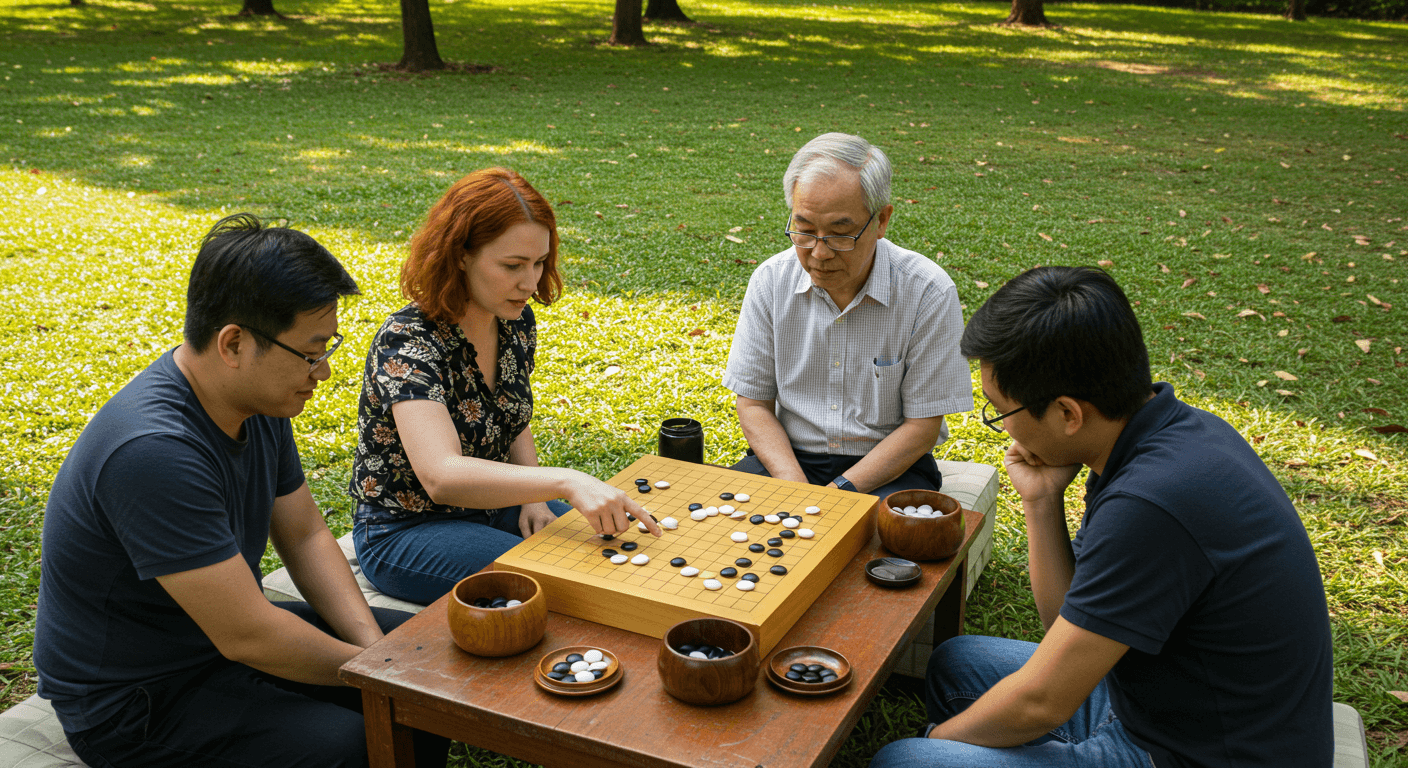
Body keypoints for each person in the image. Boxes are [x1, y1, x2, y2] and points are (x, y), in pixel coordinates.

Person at [871, 266, 1333, 768]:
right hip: (1161, 705)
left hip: (1195, 754)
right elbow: (1064, 623)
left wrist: (938, 742)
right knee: (955, 665)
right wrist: (1043, 501)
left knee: (906, 762)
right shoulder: (1157, 435)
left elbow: (1041, 703)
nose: (1002, 430)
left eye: (1000, 411)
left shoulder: (1151, 503)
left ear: (1069, 414)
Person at [35, 214, 447, 768]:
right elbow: (249, 636)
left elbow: (302, 536)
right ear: (233, 343)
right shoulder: (153, 451)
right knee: (355, 744)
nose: (322, 372)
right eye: (310, 352)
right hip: (137, 697)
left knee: (428, 658)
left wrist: (376, 651)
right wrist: (379, 676)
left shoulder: (257, 400)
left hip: (217, 643)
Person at [349, 167, 660, 605]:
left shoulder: (514, 321)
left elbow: (511, 418)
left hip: (498, 508)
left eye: (538, 263)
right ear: (460, 255)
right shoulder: (407, 341)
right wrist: (563, 481)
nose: (531, 283)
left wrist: (533, 499)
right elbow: (441, 475)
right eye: (513, 266)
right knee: (564, 586)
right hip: (406, 530)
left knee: (621, 550)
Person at [722, 132, 973, 498]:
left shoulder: (927, 291)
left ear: (881, 220)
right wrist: (794, 486)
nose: (819, 253)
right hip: (788, 460)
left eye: (841, 235)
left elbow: (923, 426)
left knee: (880, 549)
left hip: (889, 468)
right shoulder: (771, 281)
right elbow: (754, 403)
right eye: (804, 231)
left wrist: (838, 492)